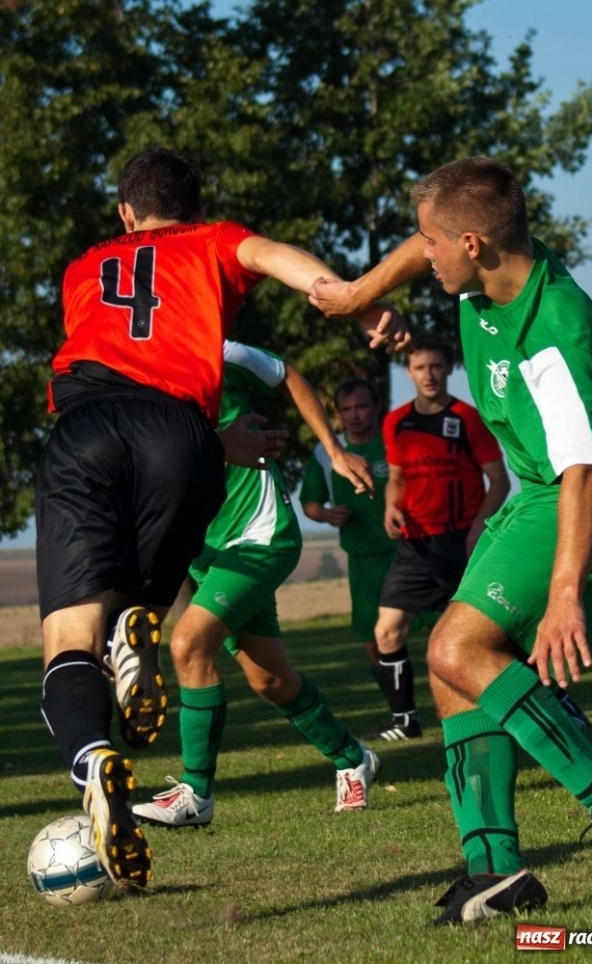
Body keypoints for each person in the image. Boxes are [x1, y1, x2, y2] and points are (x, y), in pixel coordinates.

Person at [308, 156, 592, 923]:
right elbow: (422, 249)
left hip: (588, 501)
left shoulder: (553, 333)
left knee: (454, 648)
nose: (424, 254)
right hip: (539, 493)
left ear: (471, 244)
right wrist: (359, 296)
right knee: (453, 668)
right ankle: (495, 869)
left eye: (433, 242)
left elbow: (582, 473)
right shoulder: (486, 278)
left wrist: (564, 595)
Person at [36, 146, 408, 889]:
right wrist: (358, 301)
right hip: (182, 443)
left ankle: (104, 757)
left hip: (89, 428)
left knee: (79, 638)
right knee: (263, 673)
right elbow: (277, 258)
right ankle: (343, 753)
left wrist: (325, 447)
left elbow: (127, 353)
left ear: (125, 214)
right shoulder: (212, 246)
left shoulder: (83, 269)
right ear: (198, 210)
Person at [132, 340, 380, 827]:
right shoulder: (127, 378)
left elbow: (288, 375)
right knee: (269, 680)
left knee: (188, 644)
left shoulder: (214, 349)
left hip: (259, 535)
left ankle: (195, 793)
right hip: (205, 550)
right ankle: (353, 758)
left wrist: (334, 451)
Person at [368, 333, 509, 741]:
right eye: (419, 367)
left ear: (448, 368)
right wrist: (391, 506)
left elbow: (499, 481)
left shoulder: (467, 418)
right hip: (414, 545)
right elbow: (396, 478)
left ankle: (548, 702)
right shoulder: (396, 421)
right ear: (408, 371)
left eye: (435, 366)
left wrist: (478, 528)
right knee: (386, 632)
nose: (428, 375)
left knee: (488, 635)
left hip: (459, 542)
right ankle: (405, 720)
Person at [299, 377, 395, 689]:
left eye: (361, 407)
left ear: (376, 407)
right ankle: (395, 700)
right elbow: (309, 504)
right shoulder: (326, 453)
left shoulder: (394, 441)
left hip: (407, 551)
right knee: (373, 638)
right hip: (361, 557)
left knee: (438, 624)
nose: (354, 415)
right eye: (347, 409)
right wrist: (327, 515)